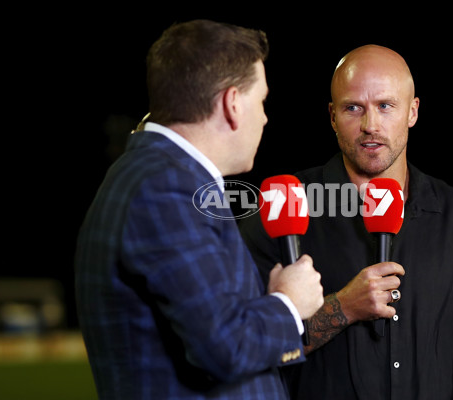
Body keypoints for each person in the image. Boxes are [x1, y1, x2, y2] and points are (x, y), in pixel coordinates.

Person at [239, 44, 453, 399]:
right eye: (354, 108)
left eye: (385, 106)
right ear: (332, 116)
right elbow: (241, 349)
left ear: (412, 111)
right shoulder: (282, 205)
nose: (371, 125)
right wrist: (342, 308)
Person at [74, 19, 324, 400]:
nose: (266, 118)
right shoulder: (165, 188)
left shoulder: (155, 175)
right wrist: (289, 303)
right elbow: (223, 348)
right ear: (232, 104)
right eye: (262, 101)